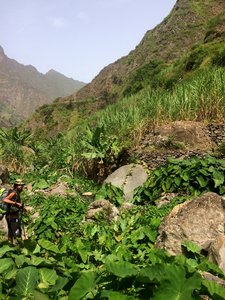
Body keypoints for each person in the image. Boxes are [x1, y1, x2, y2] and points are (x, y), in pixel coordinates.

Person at [3, 179, 26, 243]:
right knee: (17, 231)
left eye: (22, 185)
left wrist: (23, 209)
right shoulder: (14, 192)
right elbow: (5, 200)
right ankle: (20, 247)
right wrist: (16, 203)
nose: (21, 187)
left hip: (11, 215)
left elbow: (19, 204)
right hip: (12, 215)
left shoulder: (17, 193)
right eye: (19, 185)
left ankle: (10, 245)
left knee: (10, 232)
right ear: (16, 186)